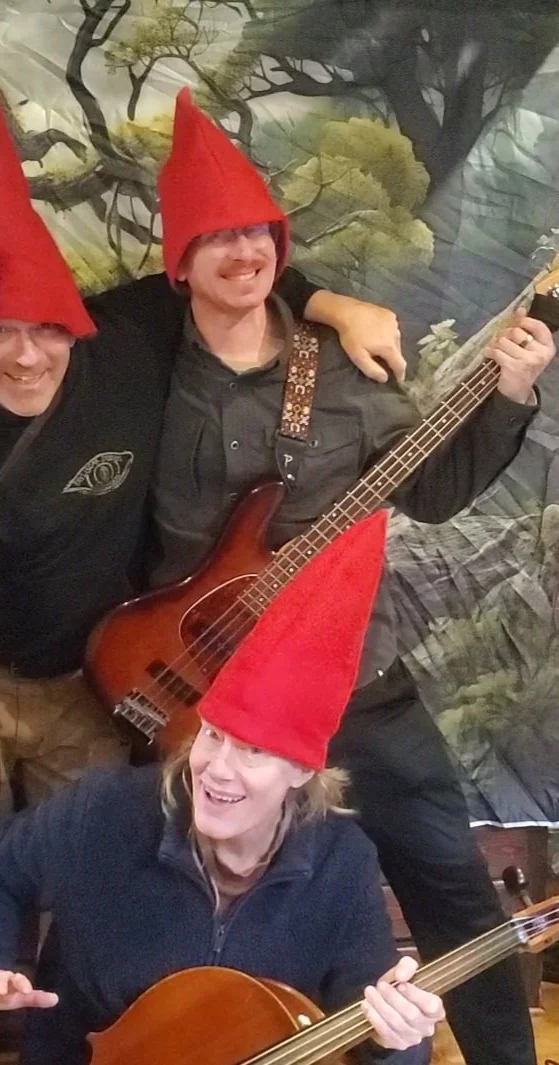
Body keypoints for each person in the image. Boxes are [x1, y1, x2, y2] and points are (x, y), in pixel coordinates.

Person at [0, 70, 404, 1065]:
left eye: (45, 328)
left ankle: (82, 1038)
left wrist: (337, 300)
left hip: (85, 681)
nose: (24, 356)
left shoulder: (129, 345)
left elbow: (235, 264)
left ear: (76, 322)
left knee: (104, 874)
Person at [138, 88, 555, 1065]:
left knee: (453, 886)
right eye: (217, 238)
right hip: (208, 701)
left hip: (357, 681)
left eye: (260, 235)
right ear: (177, 263)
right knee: (188, 897)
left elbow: (438, 488)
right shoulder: (139, 368)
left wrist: (513, 390)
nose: (244, 254)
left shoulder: (342, 368)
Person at [0, 513, 445, 1065]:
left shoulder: (342, 865)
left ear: (303, 771)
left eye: (254, 750)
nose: (217, 769)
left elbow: (372, 1030)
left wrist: (398, 1040)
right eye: (213, 735)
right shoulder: (106, 810)